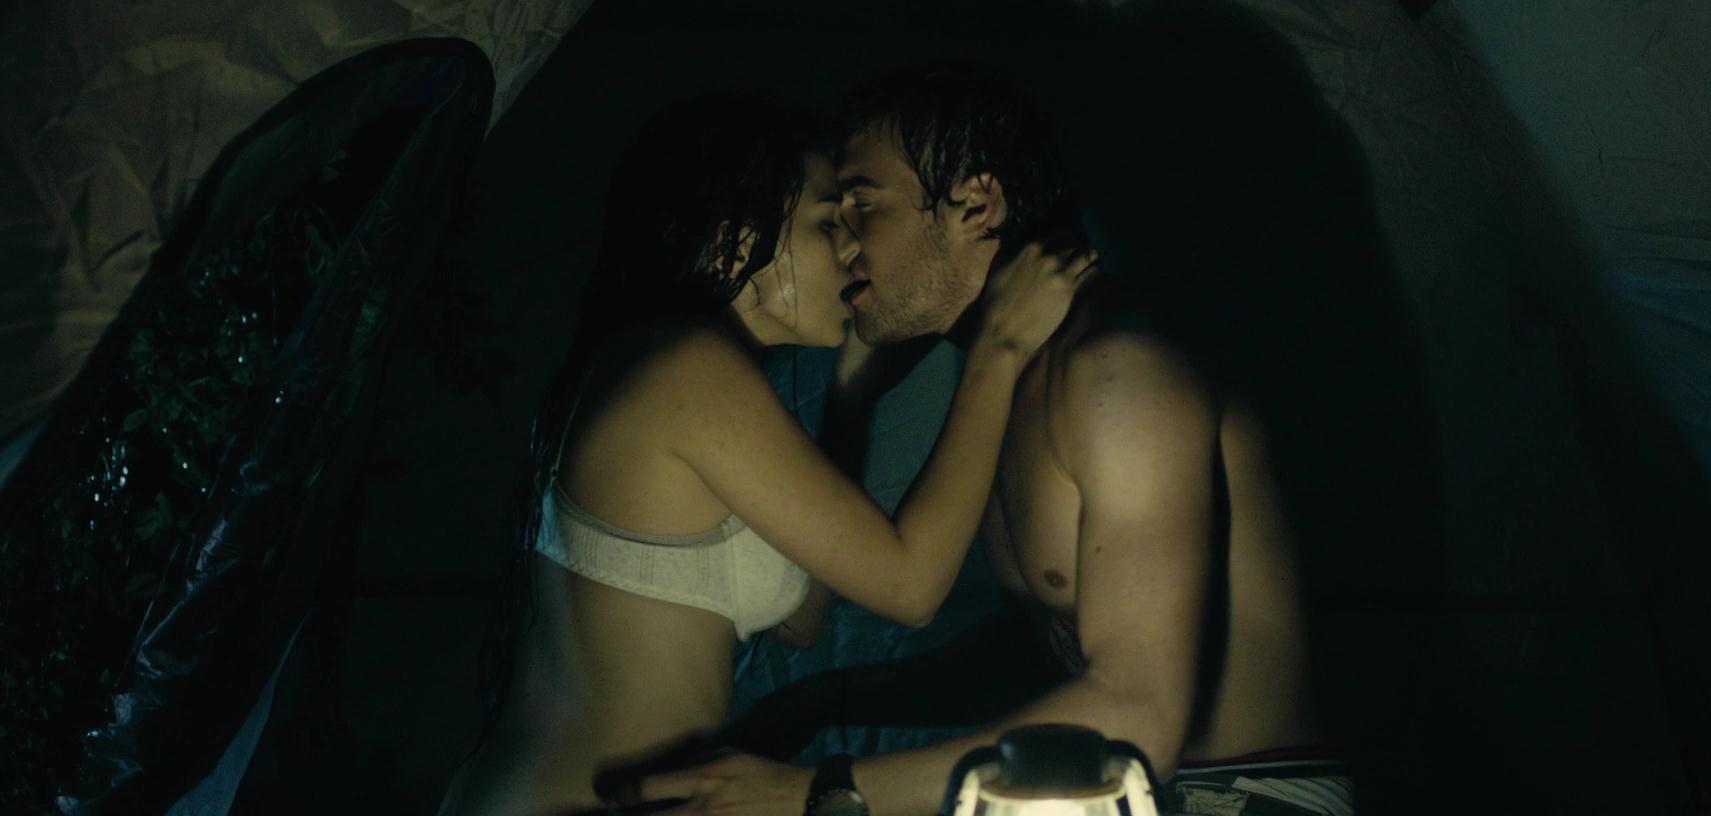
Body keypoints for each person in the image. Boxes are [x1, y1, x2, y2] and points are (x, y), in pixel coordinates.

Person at [615, 68, 1352, 816]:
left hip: (1244, 795)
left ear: (976, 203)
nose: (844, 246)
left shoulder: (1116, 371)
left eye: (864, 206)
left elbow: (1138, 719)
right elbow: (1051, 649)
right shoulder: (1018, 379)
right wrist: (826, 702)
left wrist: (811, 790)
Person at [435, 92, 1097, 816]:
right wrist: (1000, 346)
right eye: (826, 222)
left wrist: (850, 404)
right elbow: (911, 587)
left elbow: (798, 621)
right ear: (732, 237)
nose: (852, 249)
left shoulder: (681, 365)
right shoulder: (687, 370)